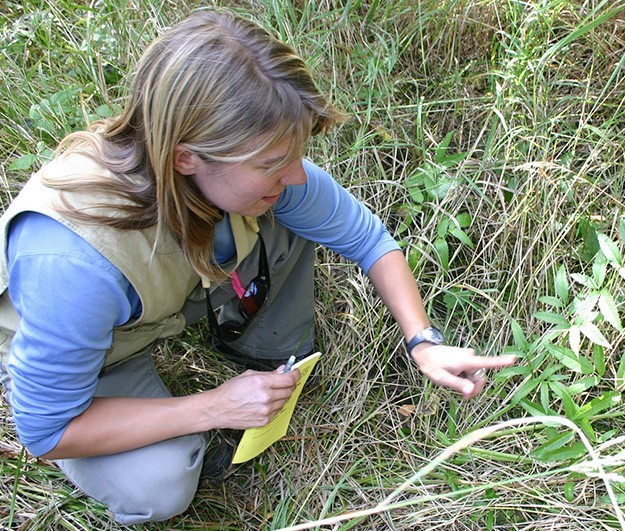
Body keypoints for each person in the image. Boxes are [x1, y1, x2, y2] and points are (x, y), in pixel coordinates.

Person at [0, 8, 516, 525]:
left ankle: (266, 353)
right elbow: (47, 431)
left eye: (297, 153)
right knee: (159, 485)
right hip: (98, 355)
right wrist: (214, 407)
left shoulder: (233, 172)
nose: (295, 176)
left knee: (287, 213)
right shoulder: (72, 262)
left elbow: (367, 239)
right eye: (272, 163)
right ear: (187, 156)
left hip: (159, 300)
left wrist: (421, 340)